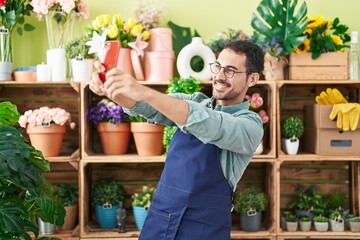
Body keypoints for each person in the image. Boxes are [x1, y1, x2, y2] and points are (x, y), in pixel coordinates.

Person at [89, 40, 264, 240]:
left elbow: (210, 124)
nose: (219, 76)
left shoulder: (250, 125)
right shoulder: (194, 101)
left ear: (252, 79)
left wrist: (142, 90)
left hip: (204, 229)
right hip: (162, 218)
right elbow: (146, 106)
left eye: (230, 70)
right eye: (217, 66)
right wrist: (113, 91)